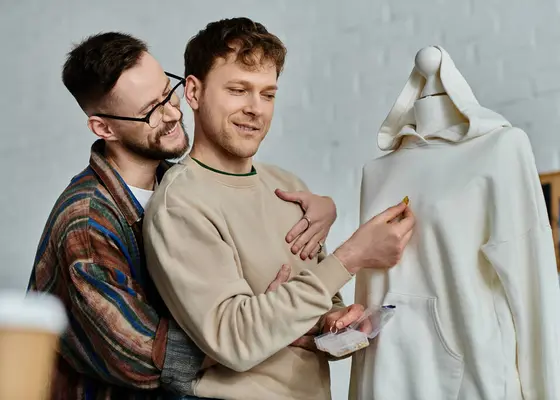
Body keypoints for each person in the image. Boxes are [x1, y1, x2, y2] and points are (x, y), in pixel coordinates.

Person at [27, 31, 343, 400]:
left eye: (168, 92)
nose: (174, 113)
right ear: (104, 127)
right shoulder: (85, 222)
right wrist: (262, 327)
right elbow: (145, 355)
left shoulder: (175, 185)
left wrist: (324, 207)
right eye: (150, 110)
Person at [143, 17, 416, 400]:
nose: (256, 109)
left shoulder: (287, 187)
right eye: (238, 90)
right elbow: (235, 339)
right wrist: (351, 257)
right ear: (193, 92)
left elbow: (318, 299)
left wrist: (332, 322)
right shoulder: (180, 204)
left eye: (267, 94)